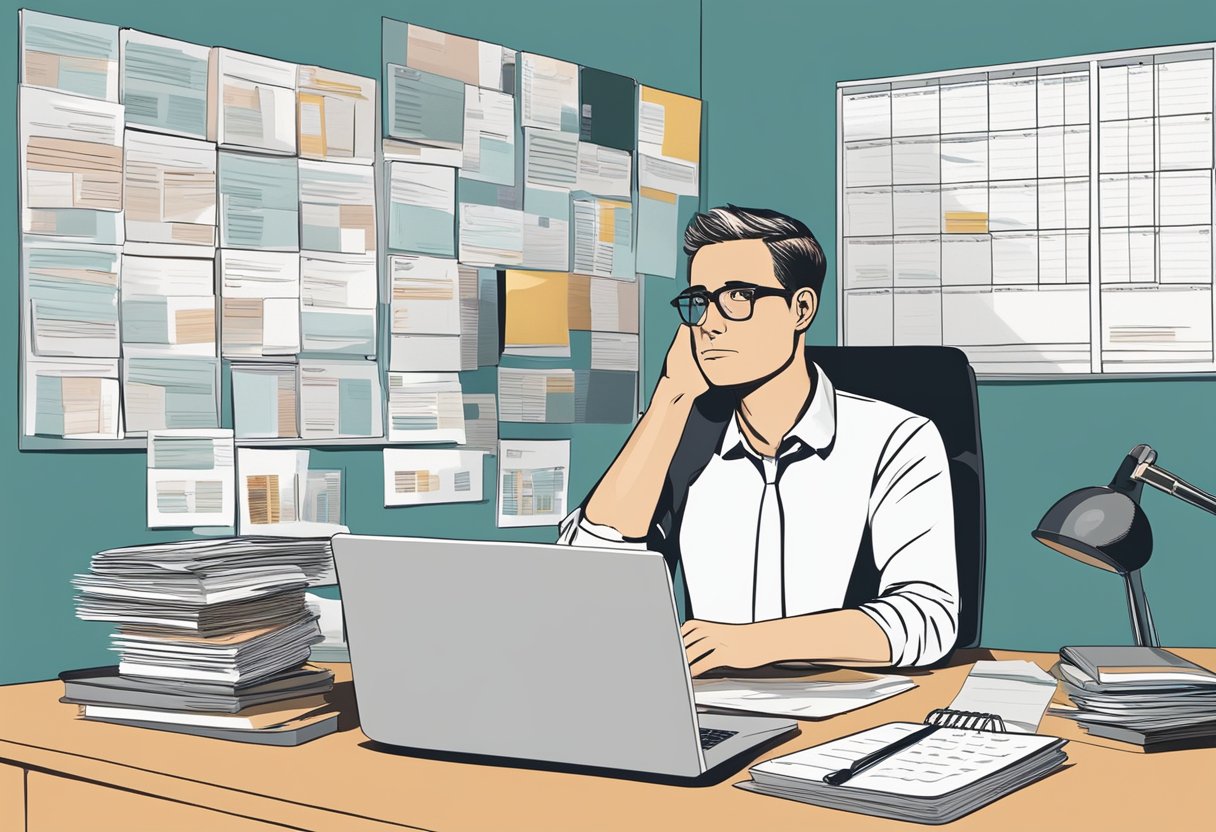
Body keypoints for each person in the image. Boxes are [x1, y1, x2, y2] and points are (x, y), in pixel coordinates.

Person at [557, 205, 959, 673]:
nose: (708, 322)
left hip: (855, 705)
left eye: (738, 296)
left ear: (801, 309)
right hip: (706, 707)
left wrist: (754, 644)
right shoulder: (679, 432)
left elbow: (928, 617)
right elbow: (585, 584)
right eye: (700, 301)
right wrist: (671, 395)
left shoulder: (895, 439)